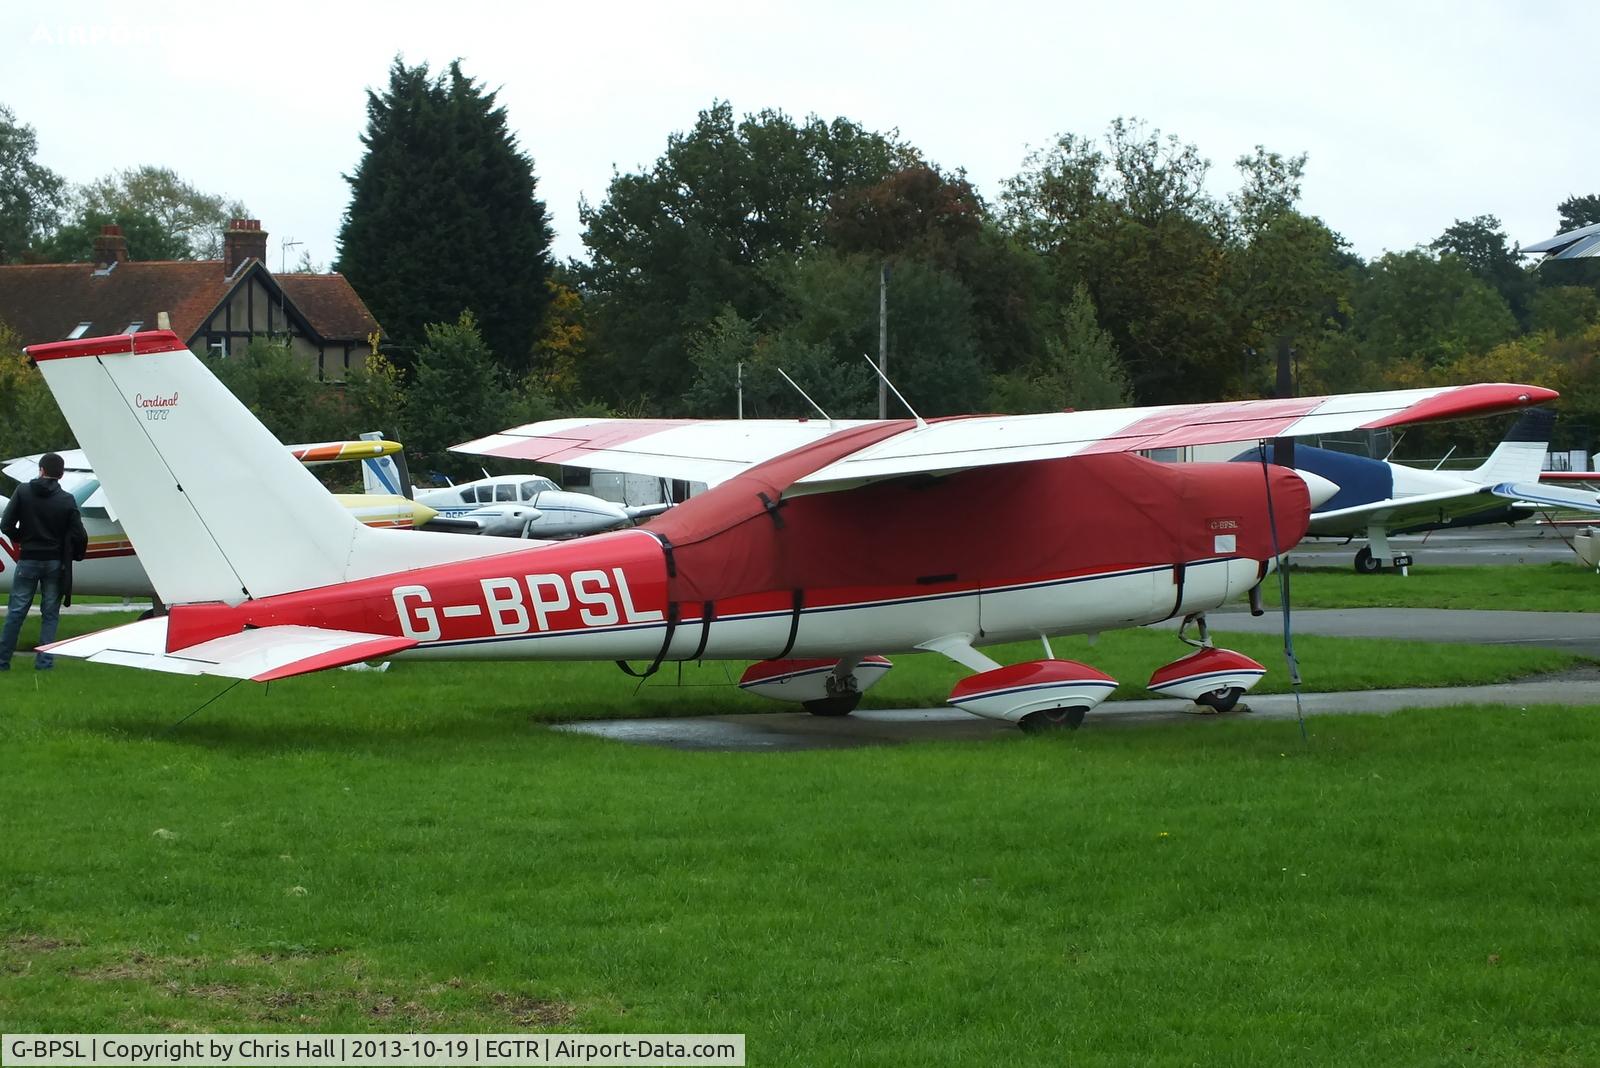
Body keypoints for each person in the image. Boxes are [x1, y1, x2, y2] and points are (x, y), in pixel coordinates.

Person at [0, 453, 88, 671]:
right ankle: (45, 663)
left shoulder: (23, 491)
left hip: (28, 559)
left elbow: (7, 525)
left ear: (40, 470)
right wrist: (75, 554)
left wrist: (23, 538)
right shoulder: (67, 499)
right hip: (54, 562)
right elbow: (79, 533)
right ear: (61, 474)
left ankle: (2, 661)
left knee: (17, 611)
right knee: (50, 614)